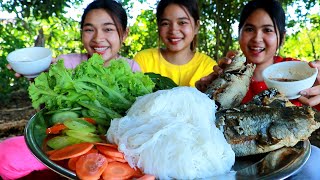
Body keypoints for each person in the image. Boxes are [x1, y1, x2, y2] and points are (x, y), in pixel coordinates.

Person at [0, 0, 140, 179]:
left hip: (113, 149)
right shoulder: (66, 63)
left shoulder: (132, 68)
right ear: (81, 32)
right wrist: (36, 78)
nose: (98, 38)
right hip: (64, 141)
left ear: (125, 34)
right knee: (5, 154)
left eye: (108, 29)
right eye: (89, 29)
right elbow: (46, 113)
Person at [197, 0, 320, 179]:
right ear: (239, 33)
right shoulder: (229, 76)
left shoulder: (301, 73)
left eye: (268, 30)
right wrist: (205, 93)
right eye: (249, 29)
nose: (257, 38)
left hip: (291, 163)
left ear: (282, 37)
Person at [134, 0, 217, 87]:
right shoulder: (142, 61)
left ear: (196, 26)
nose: (173, 30)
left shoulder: (209, 68)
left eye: (182, 22)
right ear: (158, 26)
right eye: (165, 23)